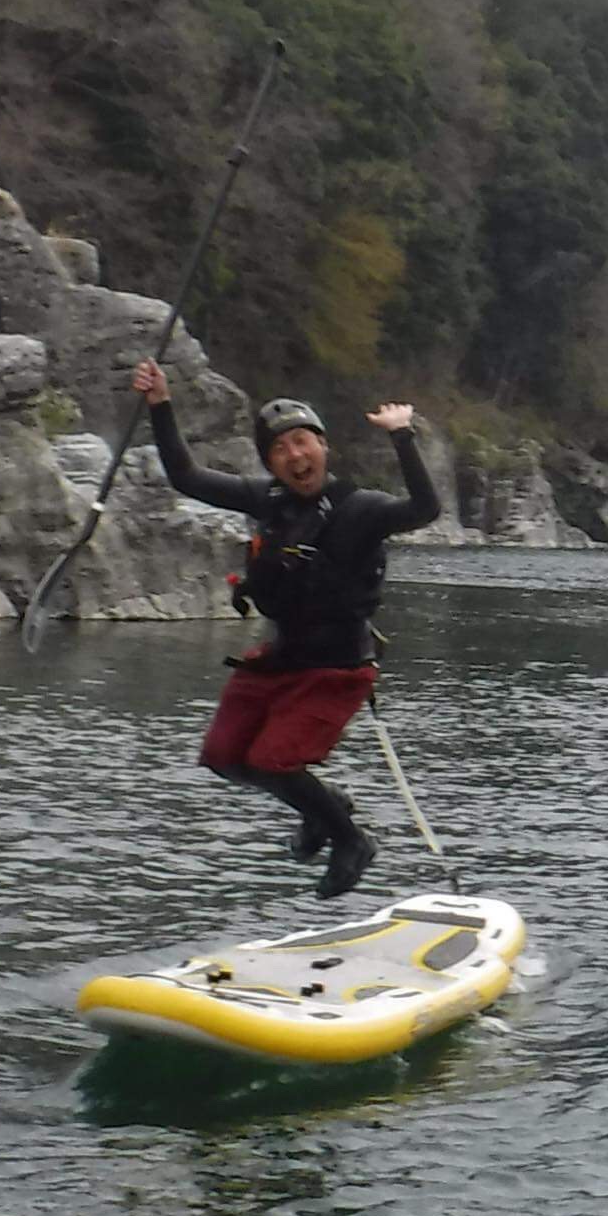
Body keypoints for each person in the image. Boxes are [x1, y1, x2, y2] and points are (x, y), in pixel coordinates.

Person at [130, 361, 443, 899]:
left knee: (271, 761)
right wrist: (160, 403)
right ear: (271, 464)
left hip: (336, 668)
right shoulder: (265, 500)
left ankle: (351, 841)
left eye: (304, 442)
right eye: (281, 450)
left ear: (324, 448)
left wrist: (402, 436)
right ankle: (326, 808)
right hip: (280, 659)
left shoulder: (361, 510)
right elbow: (186, 476)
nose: (296, 456)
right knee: (226, 757)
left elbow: (425, 508)